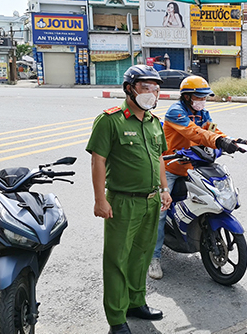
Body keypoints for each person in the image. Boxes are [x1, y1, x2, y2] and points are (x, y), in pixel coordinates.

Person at [86, 65, 173, 334]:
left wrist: (164, 188)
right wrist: (100, 200)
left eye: (155, 89)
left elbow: (159, 158)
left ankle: (136, 302)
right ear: (129, 89)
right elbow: (98, 160)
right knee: (117, 259)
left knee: (142, 255)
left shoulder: (153, 122)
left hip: (150, 200)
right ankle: (116, 318)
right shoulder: (110, 120)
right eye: (145, 87)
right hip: (122, 202)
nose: (152, 93)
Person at [148, 75, 244, 279]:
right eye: (199, 97)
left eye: (205, 97)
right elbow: (196, 134)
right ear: (187, 97)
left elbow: (211, 130)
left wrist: (231, 141)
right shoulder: (176, 112)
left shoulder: (202, 112)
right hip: (171, 167)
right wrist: (219, 141)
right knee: (161, 211)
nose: (203, 100)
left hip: (193, 165)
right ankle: (154, 258)